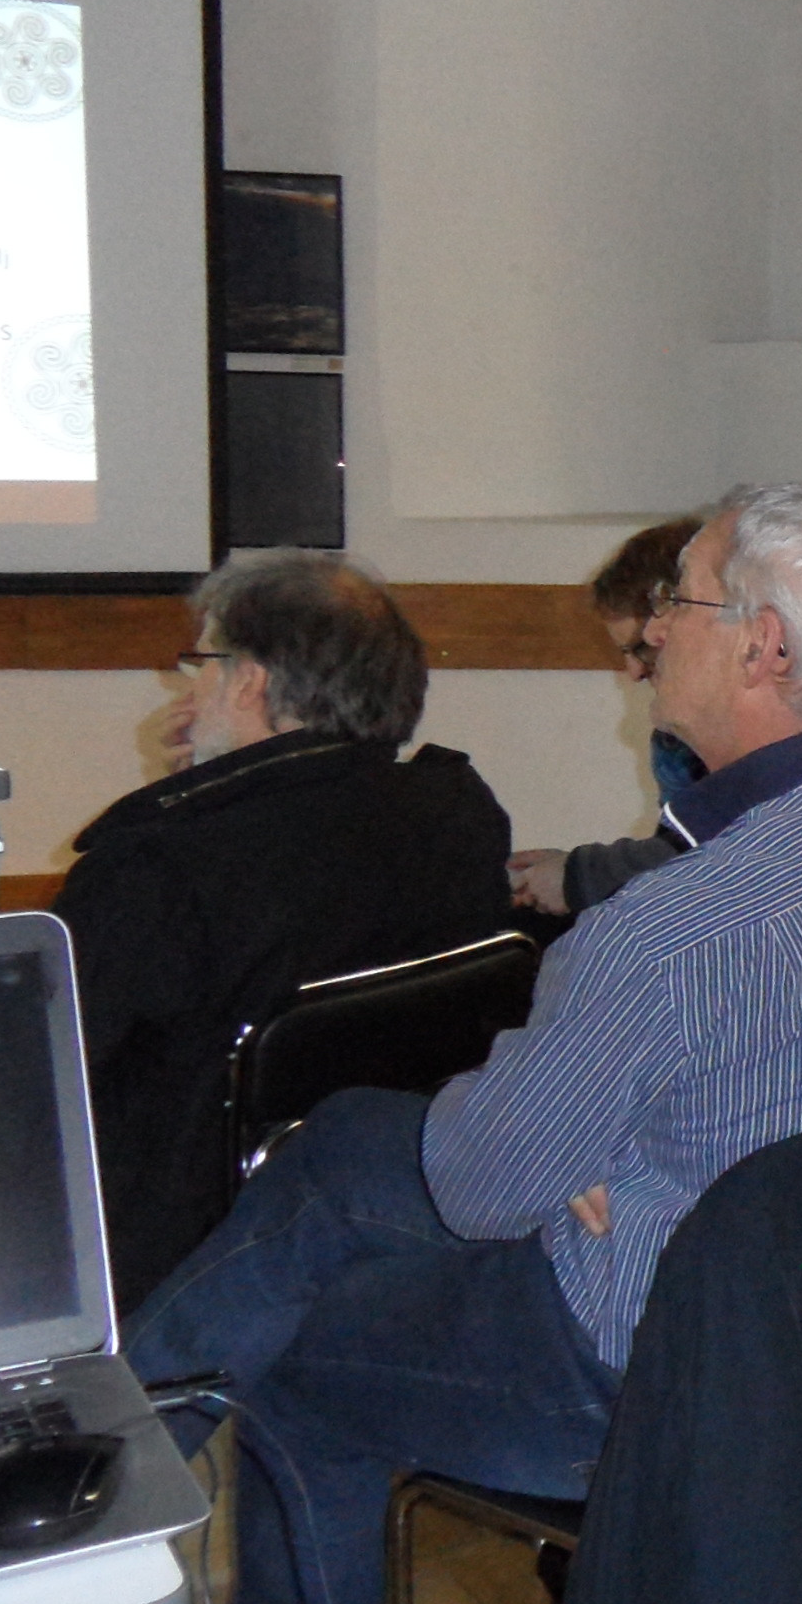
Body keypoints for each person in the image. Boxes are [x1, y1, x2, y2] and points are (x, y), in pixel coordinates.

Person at [91, 483, 802, 1604]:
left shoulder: (671, 925)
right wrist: (598, 1123)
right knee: (347, 1142)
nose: (650, 631)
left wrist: (575, 1125)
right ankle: (134, 1423)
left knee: (295, 1354)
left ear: (763, 649)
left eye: (676, 601)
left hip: (658, 1355)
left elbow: (480, 1190)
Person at [54, 549, 512, 1308]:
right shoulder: (457, 812)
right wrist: (207, 786)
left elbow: (41, 1072)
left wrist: (196, 802)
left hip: (188, 1244)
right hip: (403, 1213)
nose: (188, 687)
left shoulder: (159, 866)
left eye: (200, 662)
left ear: (251, 679)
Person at [507, 514, 707, 918]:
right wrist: (570, 871)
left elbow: (717, 865)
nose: (634, 673)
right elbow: (679, 855)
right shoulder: (673, 739)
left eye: (643, 648)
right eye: (625, 655)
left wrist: (582, 875)